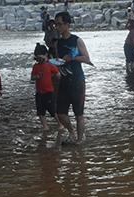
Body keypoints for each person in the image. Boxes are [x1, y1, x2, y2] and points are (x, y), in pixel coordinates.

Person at [54, 11, 92, 144]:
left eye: (59, 24)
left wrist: (72, 58)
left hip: (77, 81)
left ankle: (80, 141)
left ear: (67, 25)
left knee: (79, 114)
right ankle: (71, 132)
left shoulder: (77, 40)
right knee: (60, 113)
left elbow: (87, 58)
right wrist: (54, 65)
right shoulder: (57, 43)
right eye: (56, 25)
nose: (57, 27)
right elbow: (60, 60)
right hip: (64, 81)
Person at [31, 44, 60, 132]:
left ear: (46, 55)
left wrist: (54, 77)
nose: (39, 59)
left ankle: (60, 124)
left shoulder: (50, 65)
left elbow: (58, 74)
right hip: (39, 92)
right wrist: (37, 76)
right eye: (37, 57)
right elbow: (32, 78)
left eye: (41, 57)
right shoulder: (35, 67)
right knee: (40, 111)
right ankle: (45, 126)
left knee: (52, 110)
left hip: (49, 91)